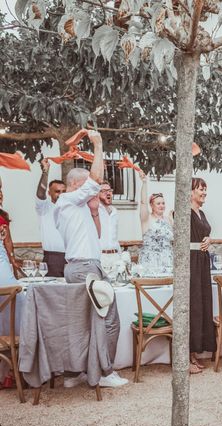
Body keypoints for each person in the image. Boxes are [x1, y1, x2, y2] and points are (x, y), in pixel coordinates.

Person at [54, 130, 127, 389]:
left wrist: (95, 212)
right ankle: (105, 372)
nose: (93, 192)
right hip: (86, 268)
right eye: (87, 188)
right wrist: (98, 145)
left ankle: (78, 373)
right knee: (109, 319)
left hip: (78, 266)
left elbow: (94, 237)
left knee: (81, 323)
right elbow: (95, 179)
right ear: (76, 186)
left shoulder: (74, 208)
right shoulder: (68, 199)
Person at [189, 177, 215, 374]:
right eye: (200, 189)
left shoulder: (203, 213)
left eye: (205, 189)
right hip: (191, 262)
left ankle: (196, 351)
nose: (204, 192)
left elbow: (203, 233)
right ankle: (186, 355)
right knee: (193, 305)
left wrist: (208, 239)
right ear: (190, 191)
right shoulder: (182, 212)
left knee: (203, 304)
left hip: (203, 261)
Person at [35, 158, 66, 277]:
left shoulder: (70, 208)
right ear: (50, 193)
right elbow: (40, 193)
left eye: (64, 191)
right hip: (53, 258)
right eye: (57, 191)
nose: (61, 194)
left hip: (72, 257)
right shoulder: (44, 207)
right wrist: (45, 171)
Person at [137, 171, 173, 269]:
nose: (162, 206)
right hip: (151, 262)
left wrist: (173, 222)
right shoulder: (147, 218)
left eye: (163, 203)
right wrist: (144, 183)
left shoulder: (168, 219)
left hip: (168, 260)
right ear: (152, 205)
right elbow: (143, 202)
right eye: (158, 203)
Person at [98, 180, 120, 273]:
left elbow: (115, 235)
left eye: (110, 190)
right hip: (100, 256)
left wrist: (120, 255)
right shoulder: (94, 210)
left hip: (115, 257)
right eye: (104, 191)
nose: (108, 193)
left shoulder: (114, 211)